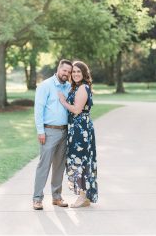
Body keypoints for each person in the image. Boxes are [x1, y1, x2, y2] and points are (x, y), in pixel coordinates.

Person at [33, 59, 72, 210]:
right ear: (58, 69)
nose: (67, 74)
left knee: (59, 166)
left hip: (64, 131)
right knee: (44, 166)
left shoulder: (69, 86)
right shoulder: (45, 86)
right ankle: (37, 199)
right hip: (48, 131)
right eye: (65, 71)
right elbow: (38, 110)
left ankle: (56, 197)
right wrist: (40, 131)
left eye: (69, 72)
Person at [58, 60, 98, 208]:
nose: (75, 74)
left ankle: (82, 196)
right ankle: (85, 196)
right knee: (82, 161)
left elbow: (76, 110)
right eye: (73, 71)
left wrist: (63, 101)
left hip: (81, 130)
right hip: (77, 129)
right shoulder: (77, 87)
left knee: (80, 161)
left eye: (78, 72)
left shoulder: (83, 88)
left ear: (84, 73)